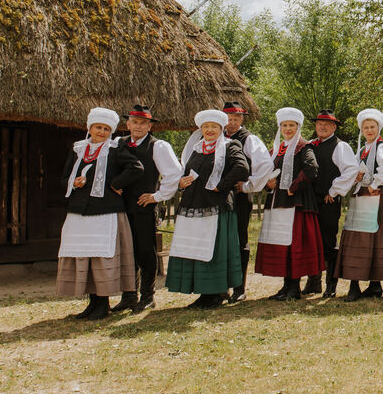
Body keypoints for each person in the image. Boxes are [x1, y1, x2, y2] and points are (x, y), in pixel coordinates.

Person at [57, 108, 144, 320]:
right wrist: (74, 182)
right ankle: (92, 303)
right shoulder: (78, 150)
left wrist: (114, 184)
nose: (102, 132)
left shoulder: (115, 149)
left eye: (106, 129)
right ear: (90, 128)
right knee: (84, 256)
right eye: (98, 127)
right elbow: (64, 177)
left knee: (100, 257)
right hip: (80, 213)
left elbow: (136, 167)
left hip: (106, 212)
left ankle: (102, 305)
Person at [165, 110, 250, 309]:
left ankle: (217, 292)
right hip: (194, 206)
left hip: (217, 207)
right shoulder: (196, 149)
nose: (209, 130)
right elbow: (188, 172)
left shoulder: (231, 146)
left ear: (221, 129)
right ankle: (204, 292)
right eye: (205, 127)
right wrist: (182, 182)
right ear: (200, 129)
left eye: (214, 126)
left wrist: (221, 185)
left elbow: (242, 168)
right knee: (198, 249)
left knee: (214, 250)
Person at [112, 105, 182, 314]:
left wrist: (157, 196)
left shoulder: (158, 146)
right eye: (135, 122)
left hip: (144, 205)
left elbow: (174, 173)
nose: (139, 127)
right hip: (121, 205)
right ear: (128, 124)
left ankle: (148, 296)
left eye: (144, 123)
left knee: (145, 251)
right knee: (126, 250)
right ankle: (129, 295)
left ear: (150, 126)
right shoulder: (118, 143)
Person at [254, 108, 322, 302]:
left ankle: (294, 287)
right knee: (282, 242)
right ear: (280, 127)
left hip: (295, 203)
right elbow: (267, 170)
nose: (288, 129)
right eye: (284, 125)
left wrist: (293, 186)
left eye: (291, 125)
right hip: (278, 202)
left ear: (298, 127)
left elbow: (311, 168)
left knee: (294, 243)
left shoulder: (304, 147)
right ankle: (286, 286)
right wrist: (268, 182)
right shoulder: (277, 149)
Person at [334, 108, 383, 302]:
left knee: (374, 238)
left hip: (375, 196)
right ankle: (356, 284)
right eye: (366, 128)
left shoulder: (381, 147)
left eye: (372, 127)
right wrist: (358, 177)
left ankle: (374, 284)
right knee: (356, 238)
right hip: (361, 197)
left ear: (378, 128)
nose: (369, 131)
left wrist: (374, 183)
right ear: (361, 130)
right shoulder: (362, 150)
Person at [221, 101, 273, 302]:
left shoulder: (249, 139)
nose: (231, 123)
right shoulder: (216, 136)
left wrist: (248, 185)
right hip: (219, 197)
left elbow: (265, 165)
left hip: (240, 197)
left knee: (239, 240)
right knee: (221, 241)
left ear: (242, 118)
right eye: (228, 119)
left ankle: (239, 288)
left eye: (235, 119)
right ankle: (221, 286)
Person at [307, 109, 358, 297]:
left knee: (328, 241)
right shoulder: (311, 145)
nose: (322, 126)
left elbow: (351, 169)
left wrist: (334, 190)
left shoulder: (340, 146)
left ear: (334, 127)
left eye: (326, 124)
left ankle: (331, 285)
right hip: (311, 201)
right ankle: (314, 282)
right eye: (319, 123)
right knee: (312, 241)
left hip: (327, 201)